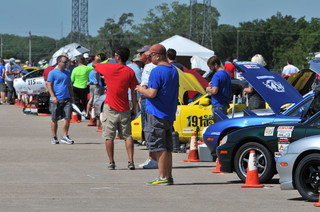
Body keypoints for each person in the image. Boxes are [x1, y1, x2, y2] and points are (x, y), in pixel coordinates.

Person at [136, 43, 179, 185]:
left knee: (159, 146)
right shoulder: (173, 70)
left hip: (156, 113)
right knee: (167, 147)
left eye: (151, 55)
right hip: (168, 113)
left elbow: (152, 93)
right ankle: (168, 175)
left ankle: (162, 177)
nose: (149, 58)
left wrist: (140, 89)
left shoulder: (156, 71)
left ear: (158, 56)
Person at [94, 46, 138, 170]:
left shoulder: (108, 67)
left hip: (110, 106)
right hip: (124, 107)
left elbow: (95, 65)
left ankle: (111, 162)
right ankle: (130, 161)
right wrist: (134, 108)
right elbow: (134, 91)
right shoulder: (130, 71)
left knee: (109, 136)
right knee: (128, 136)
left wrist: (101, 59)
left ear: (117, 57)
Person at [137, 47, 159, 169]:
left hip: (148, 99)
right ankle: (153, 157)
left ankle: (152, 157)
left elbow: (145, 85)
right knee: (151, 129)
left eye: (141, 54)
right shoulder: (156, 67)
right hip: (152, 100)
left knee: (148, 128)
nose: (140, 56)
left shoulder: (148, 67)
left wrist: (140, 90)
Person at [46, 55, 74, 145]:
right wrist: (53, 96)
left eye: (67, 62)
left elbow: (69, 85)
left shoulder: (67, 72)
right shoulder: (52, 73)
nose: (66, 64)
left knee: (67, 117)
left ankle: (65, 136)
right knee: (55, 119)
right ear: (59, 62)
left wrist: (72, 96)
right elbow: (49, 85)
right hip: (56, 99)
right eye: (64, 62)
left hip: (66, 98)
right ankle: (54, 137)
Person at [205, 56, 232, 122]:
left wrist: (207, 89)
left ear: (215, 65)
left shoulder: (216, 75)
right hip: (225, 103)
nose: (211, 69)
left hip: (218, 104)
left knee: (218, 127)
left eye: (210, 67)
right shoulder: (227, 73)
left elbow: (214, 91)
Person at [85, 53, 106, 118]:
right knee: (96, 99)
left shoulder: (89, 67)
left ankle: (87, 113)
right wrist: (97, 80)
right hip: (96, 85)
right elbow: (96, 73)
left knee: (91, 99)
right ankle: (95, 114)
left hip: (91, 85)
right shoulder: (96, 68)